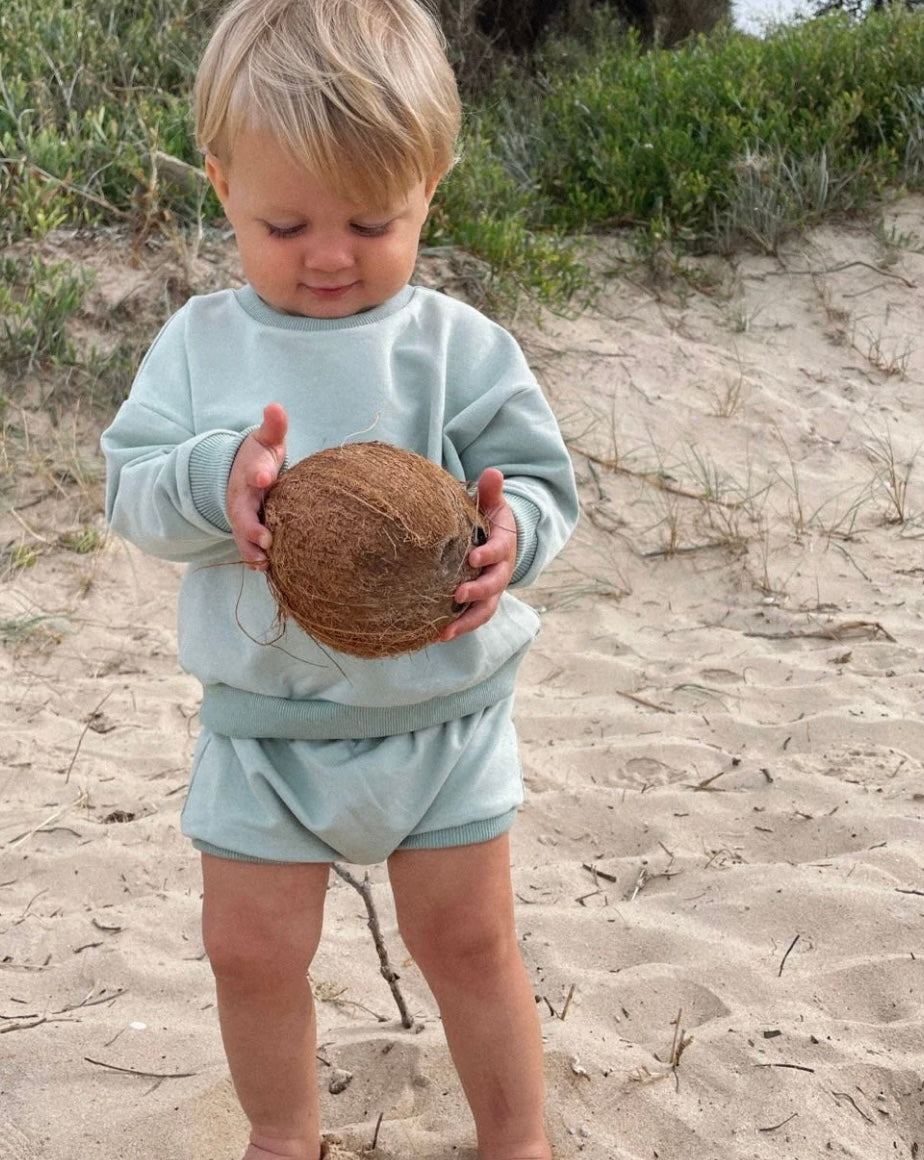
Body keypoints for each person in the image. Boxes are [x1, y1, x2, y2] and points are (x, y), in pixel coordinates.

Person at [101, 0, 578, 1157]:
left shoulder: (458, 344)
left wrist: (518, 540)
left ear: (431, 189)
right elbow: (130, 485)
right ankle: (282, 1130)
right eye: (284, 221)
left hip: (443, 717)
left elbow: (547, 484)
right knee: (248, 949)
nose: (327, 254)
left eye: (372, 220)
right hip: (266, 732)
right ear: (221, 186)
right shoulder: (202, 345)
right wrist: (219, 480)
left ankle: (513, 1136)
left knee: (468, 941)